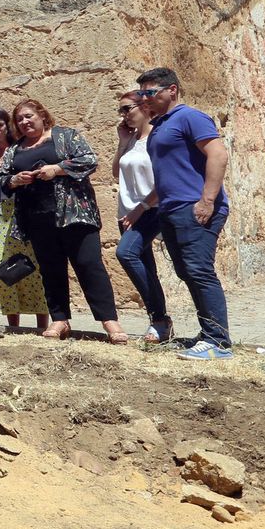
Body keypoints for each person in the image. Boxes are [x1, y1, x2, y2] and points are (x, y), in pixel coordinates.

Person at [0, 99, 127, 343]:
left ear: (42, 115)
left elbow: (89, 160)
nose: (24, 122)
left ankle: (110, 322)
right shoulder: (14, 150)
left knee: (90, 266)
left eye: (29, 116)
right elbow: (4, 180)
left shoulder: (65, 136)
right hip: (36, 218)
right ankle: (60, 320)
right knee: (50, 270)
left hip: (75, 215)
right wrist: (16, 180)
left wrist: (57, 169)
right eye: (19, 120)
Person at [136, 67, 232, 361]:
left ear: (172, 90)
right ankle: (208, 332)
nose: (144, 99)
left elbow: (218, 154)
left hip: (195, 207)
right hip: (171, 210)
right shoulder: (160, 125)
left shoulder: (190, 117)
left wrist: (207, 200)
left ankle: (219, 342)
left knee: (200, 271)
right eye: (142, 93)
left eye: (150, 92)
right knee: (187, 271)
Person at [0, 107, 49, 332]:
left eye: (0, 124)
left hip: (20, 209)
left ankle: (41, 324)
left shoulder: (21, 148)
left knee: (33, 264)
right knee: (2, 267)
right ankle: (13, 325)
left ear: (9, 125)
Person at [113, 91, 172, 344]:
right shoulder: (132, 139)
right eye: (121, 112)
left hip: (150, 209)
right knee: (146, 266)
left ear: (145, 107)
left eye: (128, 109)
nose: (124, 115)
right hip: (126, 212)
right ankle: (159, 322)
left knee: (125, 253)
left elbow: (166, 178)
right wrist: (122, 143)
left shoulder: (158, 138)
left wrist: (142, 207)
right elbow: (117, 173)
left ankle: (160, 319)